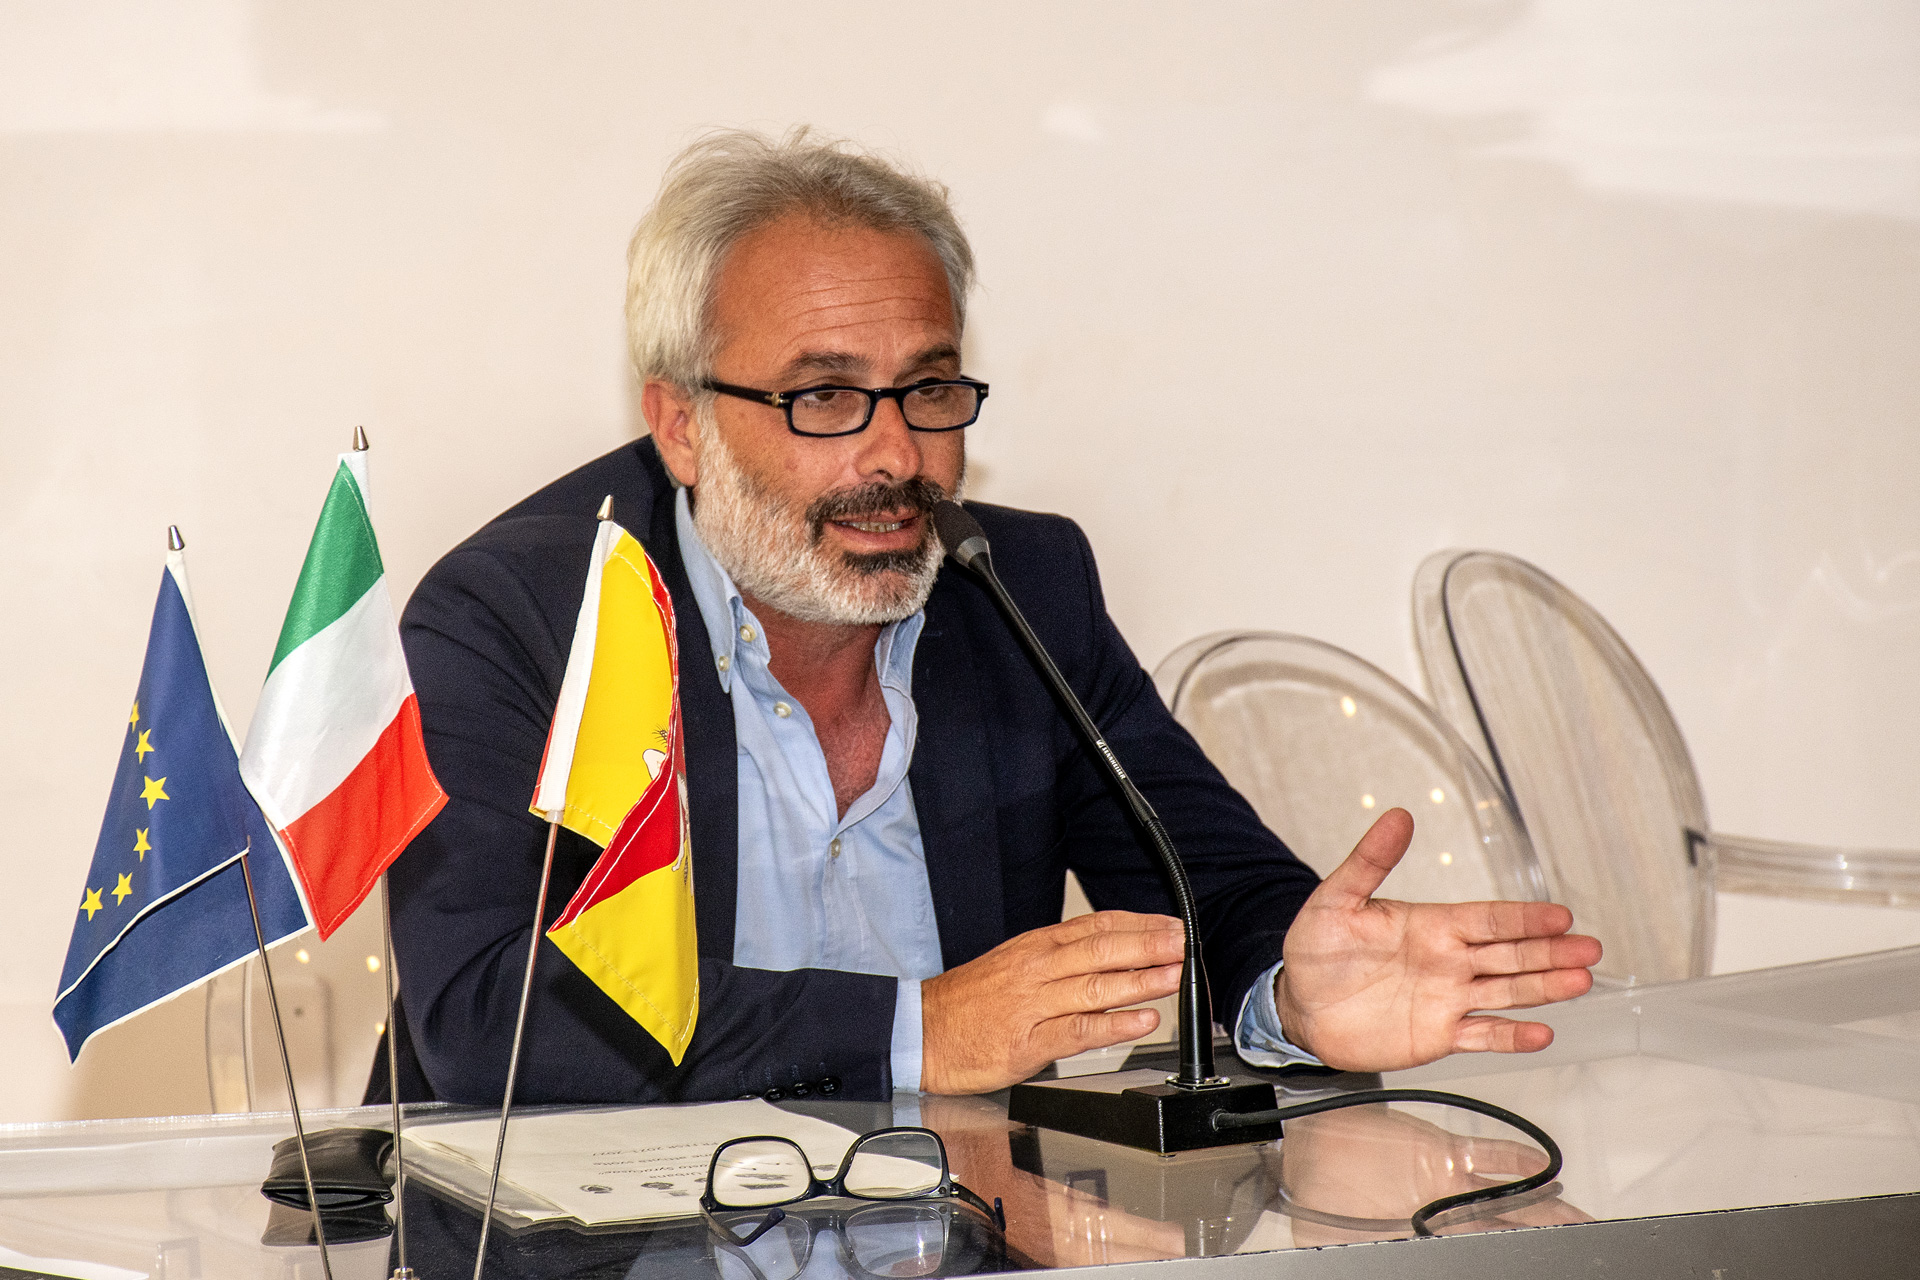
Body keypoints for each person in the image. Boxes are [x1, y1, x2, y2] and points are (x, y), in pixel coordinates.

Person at [383, 128, 1600, 1106]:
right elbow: (486, 1010)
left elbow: (1207, 890)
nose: (894, 452)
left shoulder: (1019, 589)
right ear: (681, 424)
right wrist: (920, 1028)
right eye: (824, 396)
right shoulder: (523, 617)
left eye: (927, 387)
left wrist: (1290, 991)